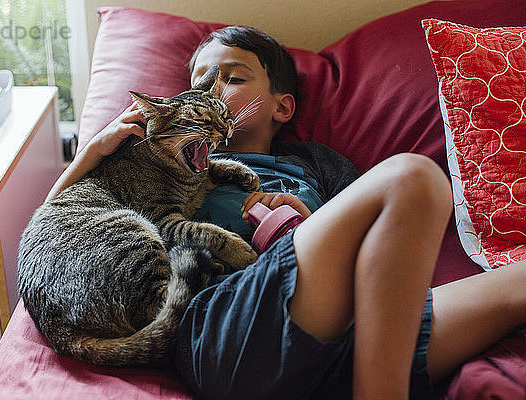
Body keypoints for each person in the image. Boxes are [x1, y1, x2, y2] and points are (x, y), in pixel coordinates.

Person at [46, 26, 526, 400]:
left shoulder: (316, 163)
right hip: (229, 326)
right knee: (414, 178)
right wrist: (91, 153)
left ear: (283, 106)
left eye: (231, 79)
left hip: (351, 338)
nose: (211, 94)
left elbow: (385, 246)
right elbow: (61, 228)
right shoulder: (164, 166)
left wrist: (316, 222)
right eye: (198, 85)